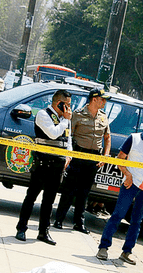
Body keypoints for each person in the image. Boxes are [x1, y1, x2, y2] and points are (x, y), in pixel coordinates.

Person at [95, 116, 143, 264]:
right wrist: (127, 174)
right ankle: (103, 247)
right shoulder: (134, 138)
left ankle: (127, 251)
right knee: (117, 215)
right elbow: (120, 159)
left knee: (137, 221)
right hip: (131, 183)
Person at [15, 89, 72, 245]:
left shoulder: (65, 119)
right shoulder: (43, 114)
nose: (69, 108)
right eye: (66, 104)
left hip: (58, 163)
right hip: (43, 162)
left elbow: (68, 138)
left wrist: (69, 155)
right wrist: (65, 120)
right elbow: (53, 134)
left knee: (49, 200)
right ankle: (21, 228)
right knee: (32, 196)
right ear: (57, 103)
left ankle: (43, 232)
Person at [53, 88, 112, 234]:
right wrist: (69, 154)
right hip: (78, 156)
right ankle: (59, 219)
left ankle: (79, 223)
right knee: (69, 190)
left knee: (84, 193)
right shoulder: (77, 115)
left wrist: (105, 155)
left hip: (93, 160)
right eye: (102, 99)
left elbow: (107, 137)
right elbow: (68, 134)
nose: (104, 102)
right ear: (94, 99)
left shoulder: (103, 117)